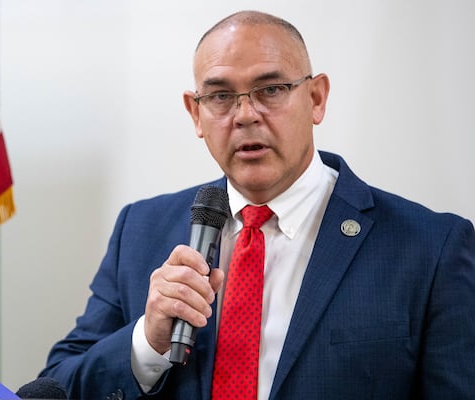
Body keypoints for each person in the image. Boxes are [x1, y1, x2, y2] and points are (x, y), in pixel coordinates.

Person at [39, 10, 475, 399]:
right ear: (196, 113)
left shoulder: (431, 247)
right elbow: (55, 385)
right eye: (221, 97)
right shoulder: (141, 229)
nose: (245, 115)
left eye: (270, 89)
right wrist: (146, 343)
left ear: (316, 98)